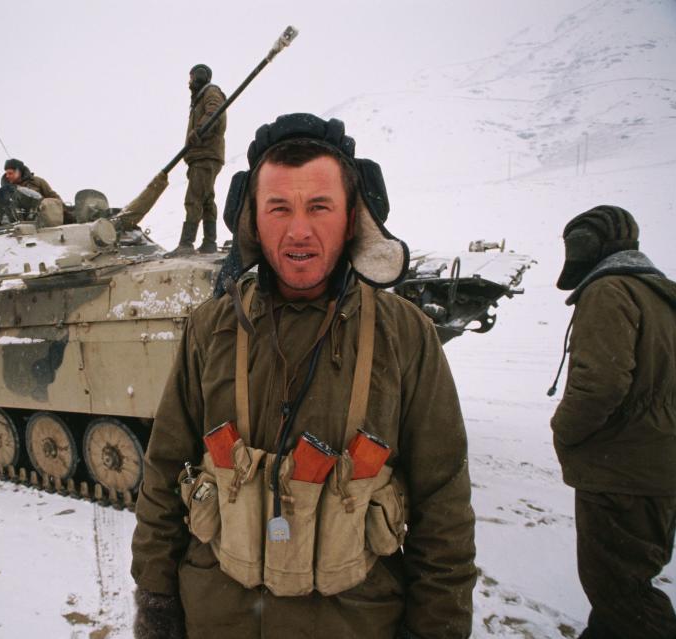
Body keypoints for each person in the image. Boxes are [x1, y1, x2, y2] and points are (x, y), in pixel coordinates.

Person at [131, 113, 477, 639]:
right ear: (252, 219)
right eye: (279, 208)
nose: (299, 230)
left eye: (320, 207)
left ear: (353, 216)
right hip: (216, 619)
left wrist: (438, 626)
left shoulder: (404, 335)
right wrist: (156, 601)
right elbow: (161, 471)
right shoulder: (210, 328)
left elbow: (443, 502)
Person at [549, 205, 676, 639]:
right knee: (625, 588)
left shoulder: (609, 291)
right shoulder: (665, 298)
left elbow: (600, 384)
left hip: (620, 475)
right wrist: (652, 417)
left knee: (622, 597)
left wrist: (565, 434)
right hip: (664, 468)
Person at [166, 64, 227, 257]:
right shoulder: (201, 97)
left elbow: (214, 112)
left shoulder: (211, 92)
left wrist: (199, 130)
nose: (189, 81)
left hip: (204, 154)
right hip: (204, 155)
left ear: (199, 76)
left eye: (191, 77)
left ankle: (186, 244)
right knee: (207, 199)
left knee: (194, 198)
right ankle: (209, 243)